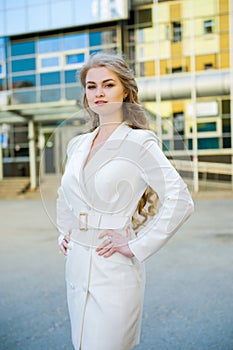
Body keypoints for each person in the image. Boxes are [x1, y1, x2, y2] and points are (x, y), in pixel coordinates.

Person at [56, 52, 194, 350]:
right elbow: (64, 194)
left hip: (115, 268)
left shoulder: (139, 142)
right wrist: (64, 231)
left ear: (126, 91)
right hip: (76, 267)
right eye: (91, 86)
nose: (99, 93)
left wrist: (135, 245)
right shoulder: (77, 144)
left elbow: (180, 199)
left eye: (108, 84)